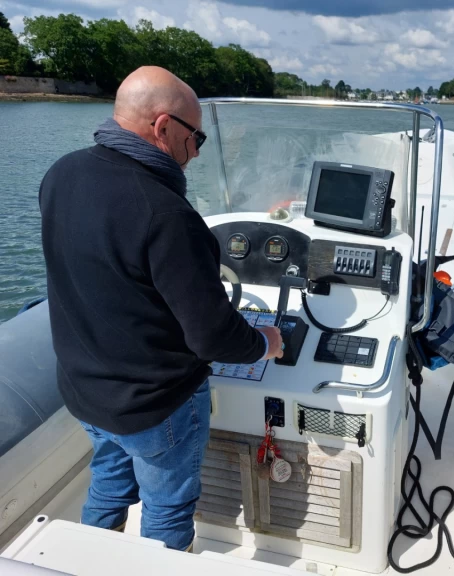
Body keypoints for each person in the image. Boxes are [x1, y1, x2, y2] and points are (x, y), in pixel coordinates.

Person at [38, 66, 283, 552]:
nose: (195, 153)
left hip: (86, 392)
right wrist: (264, 342)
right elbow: (214, 338)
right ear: (164, 127)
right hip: (156, 408)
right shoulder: (166, 214)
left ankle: (87, 559)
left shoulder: (62, 172)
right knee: (167, 507)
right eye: (196, 139)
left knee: (108, 482)